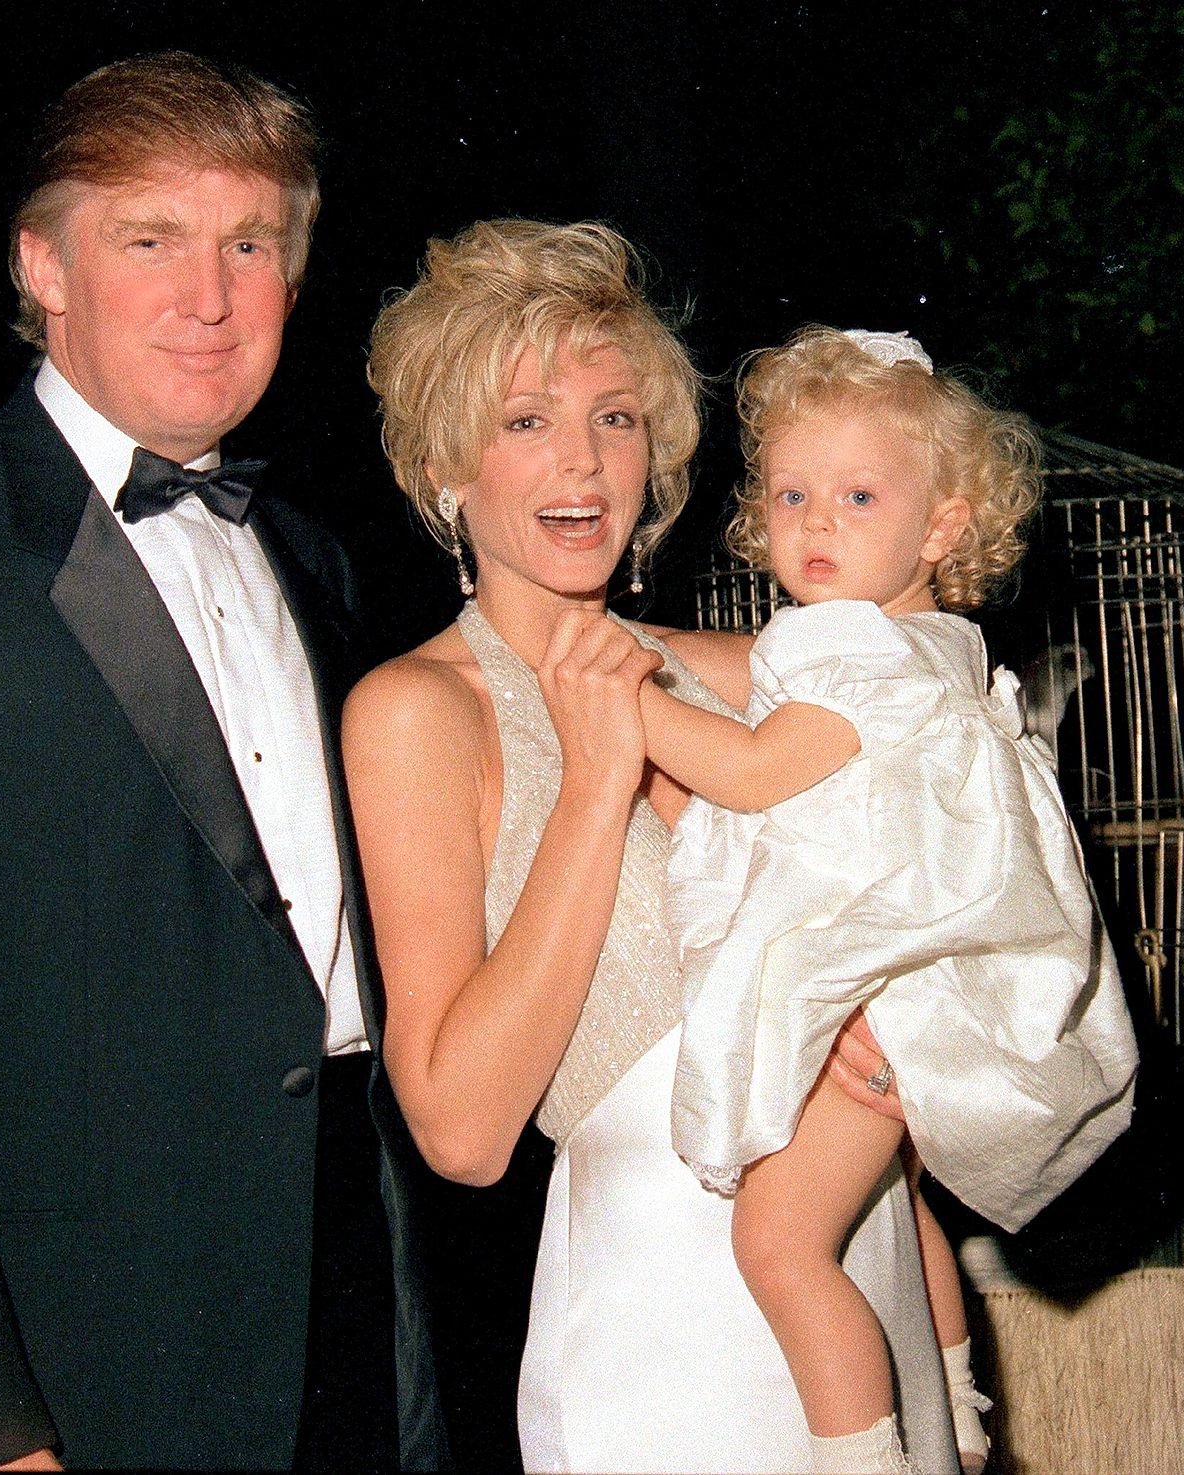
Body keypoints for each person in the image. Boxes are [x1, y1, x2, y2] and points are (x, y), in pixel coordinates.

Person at [0, 52, 445, 1470]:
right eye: (150, 239)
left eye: (250, 244)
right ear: (42, 266)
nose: (209, 296)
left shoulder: (316, 561)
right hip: (82, 1369)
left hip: (360, 1322)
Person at [345, 221, 957, 1475]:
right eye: (524, 420)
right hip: (665, 1336)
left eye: (614, 417)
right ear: (444, 464)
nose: (580, 458)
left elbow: (967, 842)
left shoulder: (764, 673)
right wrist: (594, 774)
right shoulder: (417, 712)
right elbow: (459, 1130)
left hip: (875, 1264)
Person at [634, 327, 1138, 1473]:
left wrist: (629, 701)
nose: (815, 520)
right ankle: (954, 1413)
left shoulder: (852, 652)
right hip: (940, 980)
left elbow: (754, 773)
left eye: (857, 496)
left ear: (941, 526)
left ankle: (860, 1455)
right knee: (899, 1204)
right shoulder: (935, 644)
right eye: (791, 494)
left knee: (779, 1243)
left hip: (891, 990)